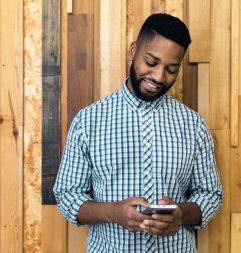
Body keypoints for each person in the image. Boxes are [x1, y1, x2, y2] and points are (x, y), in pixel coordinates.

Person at [53, 13, 223, 253]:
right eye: (151, 62)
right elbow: (67, 195)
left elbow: (211, 194)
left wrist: (180, 215)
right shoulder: (88, 121)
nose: (159, 77)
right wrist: (113, 212)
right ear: (133, 51)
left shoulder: (193, 125)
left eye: (171, 69)